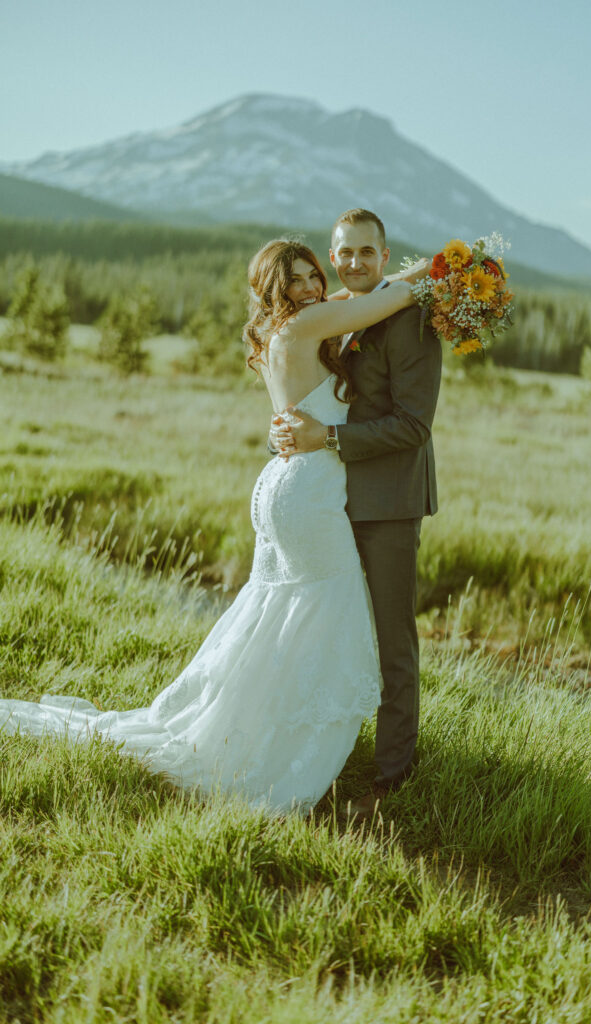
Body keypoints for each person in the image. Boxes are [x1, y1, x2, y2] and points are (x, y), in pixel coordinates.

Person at [0, 239, 431, 817]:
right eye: (295, 280)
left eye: (311, 276)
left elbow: (363, 310)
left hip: (287, 481)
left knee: (277, 614)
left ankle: (243, 721)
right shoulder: (306, 323)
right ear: (275, 291)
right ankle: (281, 748)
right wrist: (450, 265)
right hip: (305, 490)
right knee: (330, 612)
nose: (308, 286)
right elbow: (389, 295)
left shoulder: (289, 334)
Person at [271, 210, 442, 819]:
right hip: (332, 500)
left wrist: (328, 441)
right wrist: (290, 433)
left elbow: (414, 425)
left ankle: (394, 775)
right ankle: (328, 751)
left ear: (385, 254)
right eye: (344, 254)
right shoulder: (337, 313)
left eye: (367, 253)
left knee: (393, 640)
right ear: (332, 254)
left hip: (390, 503)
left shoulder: (411, 318)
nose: (353, 265)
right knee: (335, 633)